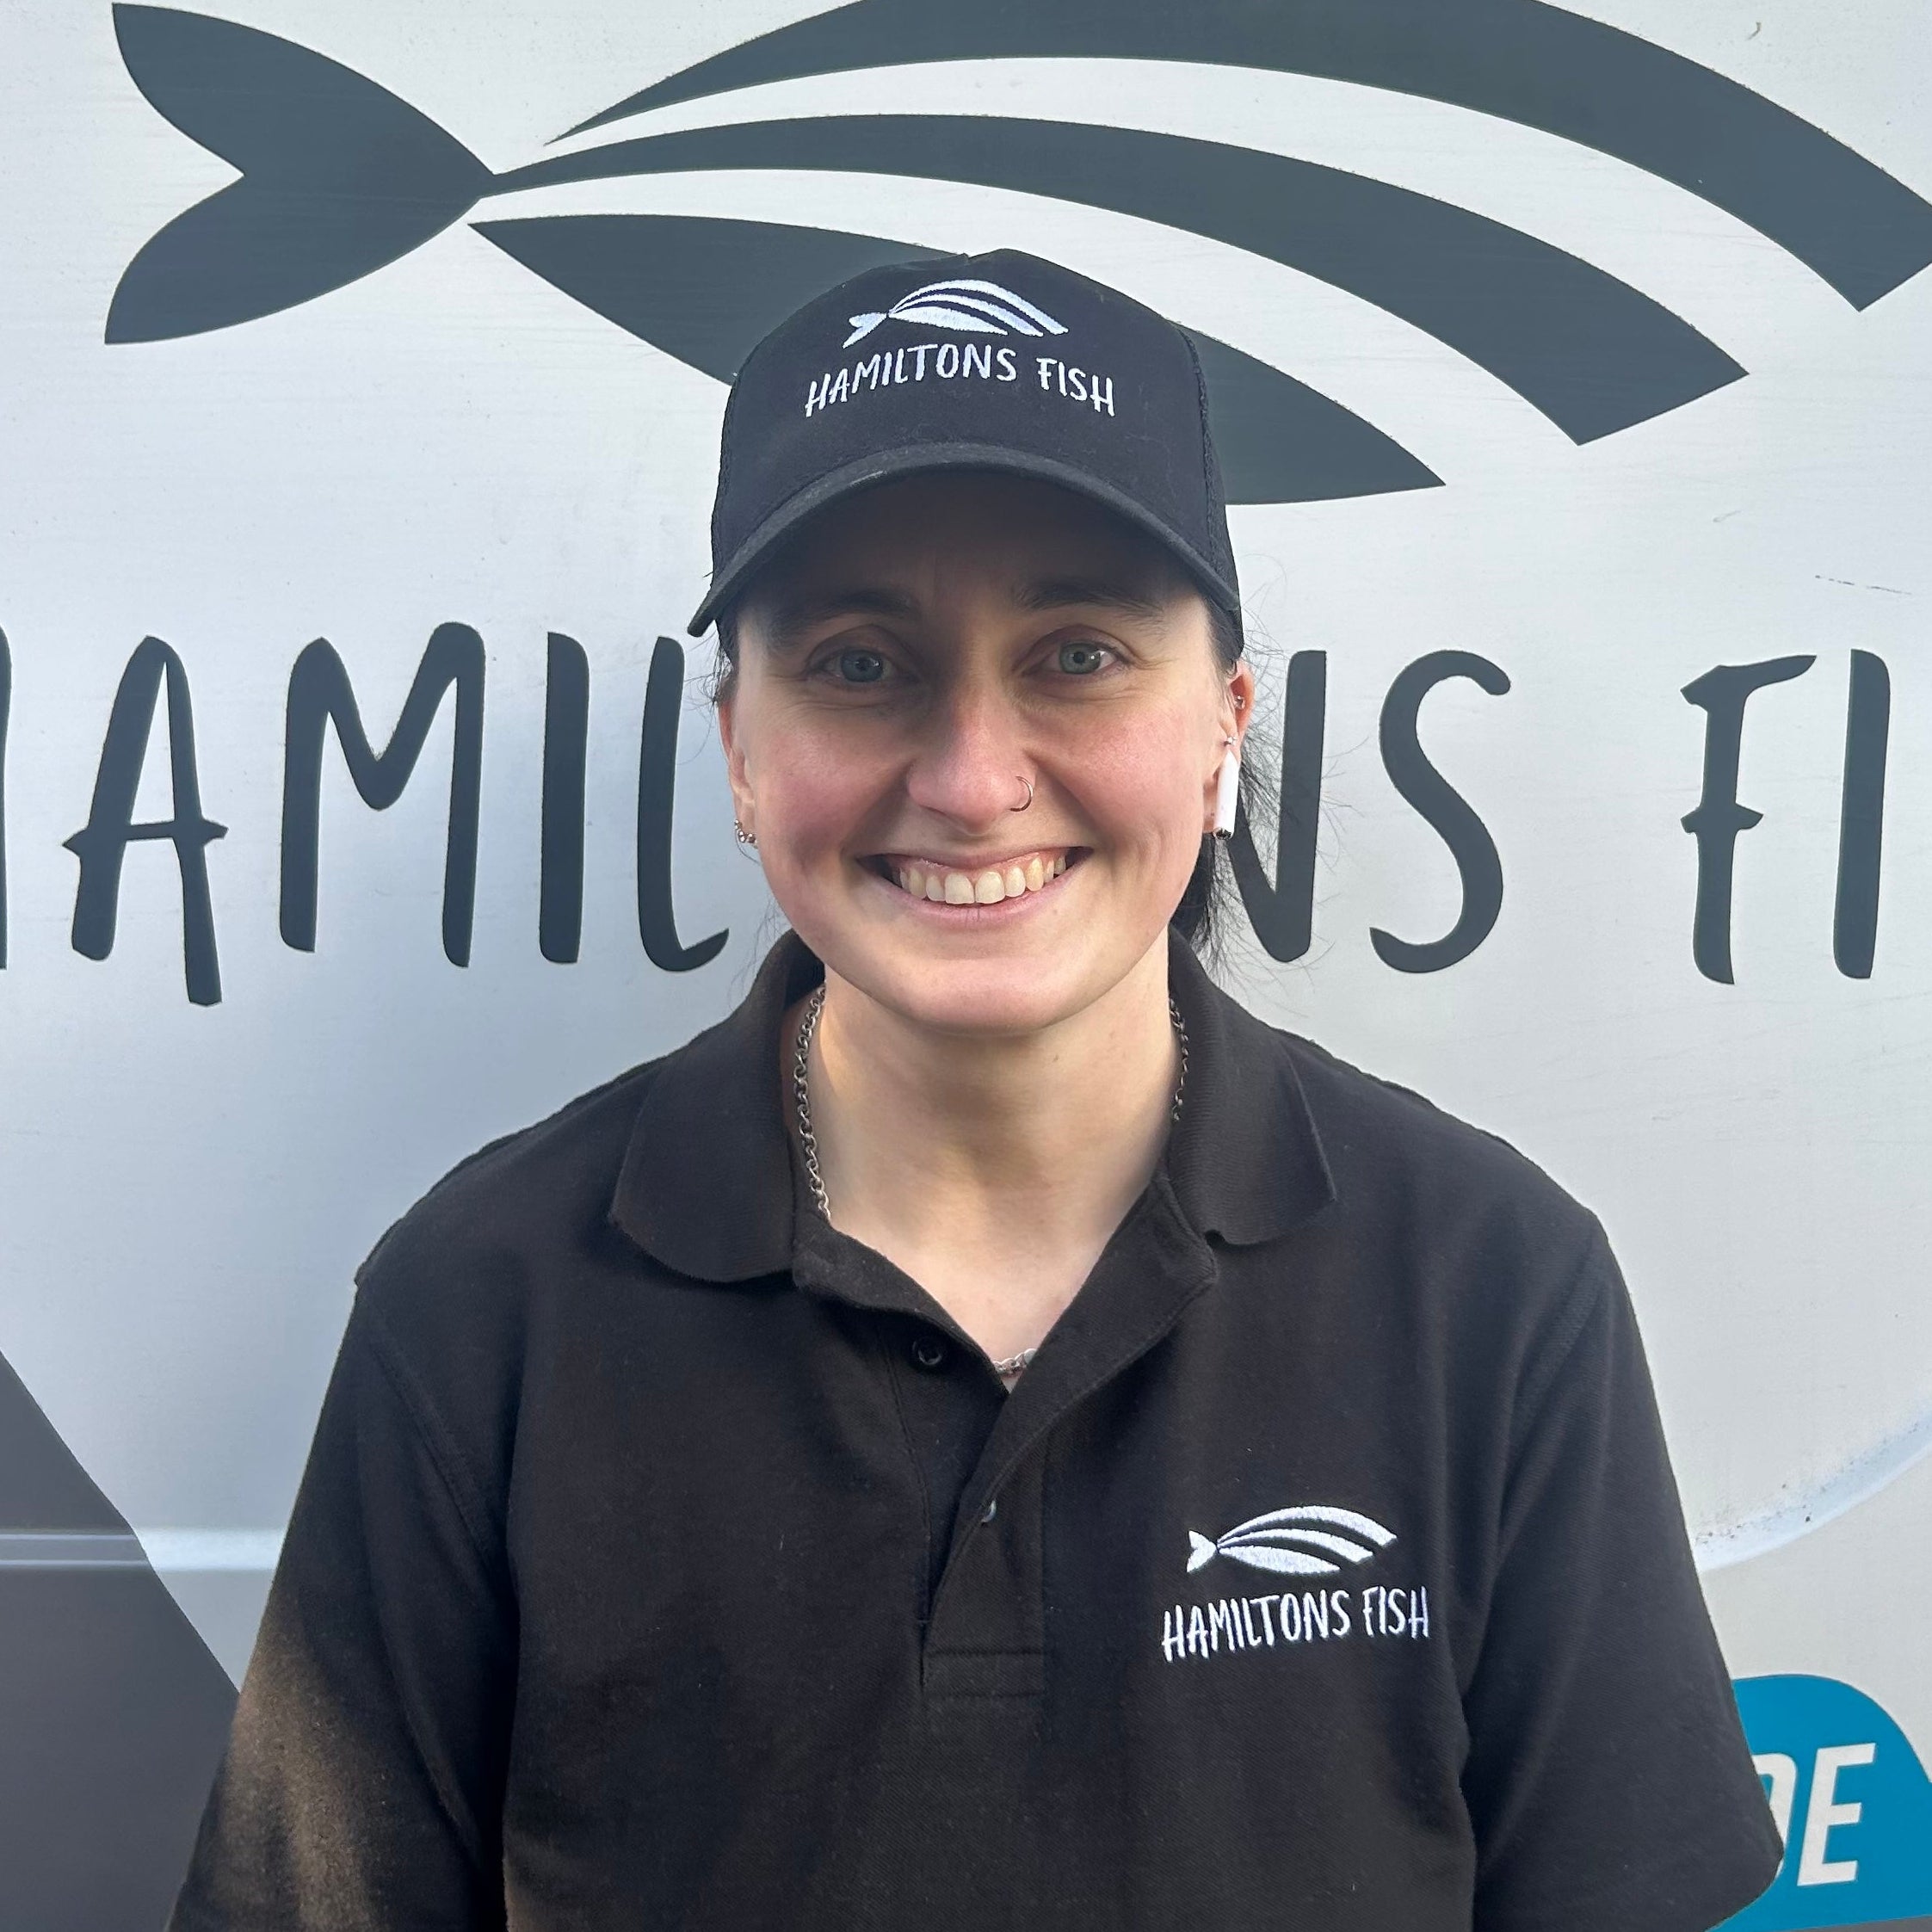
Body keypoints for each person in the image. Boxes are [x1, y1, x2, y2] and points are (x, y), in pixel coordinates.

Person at [165, 249, 1781, 1930]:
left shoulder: (1489, 1288)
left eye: (1077, 653)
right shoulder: (483, 1308)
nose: (970, 776)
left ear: (1222, 725)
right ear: (736, 747)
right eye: (862, 664)